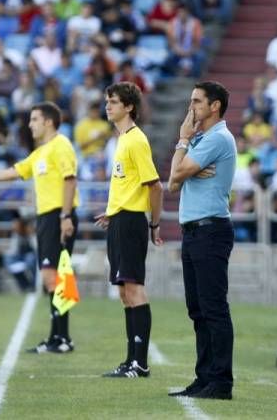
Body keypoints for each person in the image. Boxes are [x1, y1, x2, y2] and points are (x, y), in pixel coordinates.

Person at [0, 101, 79, 354]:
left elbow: (70, 180)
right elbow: (10, 173)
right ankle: (58, 337)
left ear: (49, 122)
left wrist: (66, 216)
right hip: (45, 218)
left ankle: (62, 338)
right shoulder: (40, 153)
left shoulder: (61, 145)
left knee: (54, 276)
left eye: (34, 119)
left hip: (58, 215)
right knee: (53, 277)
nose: (30, 124)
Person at [167, 81, 236, 400]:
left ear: (215, 106)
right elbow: (172, 182)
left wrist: (182, 141)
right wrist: (185, 164)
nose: (190, 107)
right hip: (194, 231)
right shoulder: (201, 140)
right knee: (198, 309)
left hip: (210, 230)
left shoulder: (217, 138)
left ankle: (221, 381)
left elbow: (177, 174)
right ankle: (204, 377)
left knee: (213, 308)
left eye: (196, 101)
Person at [95, 82, 163, 378]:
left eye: (113, 102)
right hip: (120, 219)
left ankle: (141, 363)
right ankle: (130, 360)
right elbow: (128, 183)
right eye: (107, 101)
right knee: (124, 292)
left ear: (129, 107)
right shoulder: (121, 139)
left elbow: (155, 186)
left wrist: (154, 223)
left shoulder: (136, 140)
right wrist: (113, 212)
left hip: (133, 222)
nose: (108, 106)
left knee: (134, 289)